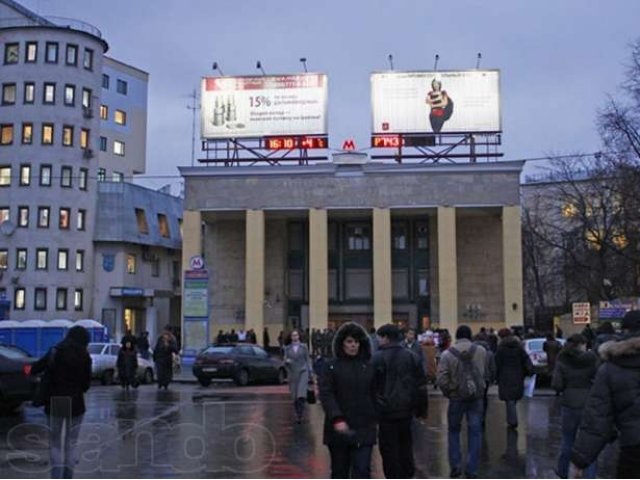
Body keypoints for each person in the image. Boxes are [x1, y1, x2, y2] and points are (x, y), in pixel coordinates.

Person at [572, 310, 640, 478]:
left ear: (623, 332)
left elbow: (598, 417)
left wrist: (581, 459)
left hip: (633, 449)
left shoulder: (610, 369)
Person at [31, 326, 92, 479]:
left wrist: (23, 369)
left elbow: (34, 368)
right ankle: (68, 476)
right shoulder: (85, 357)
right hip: (77, 404)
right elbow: (86, 385)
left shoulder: (56, 352)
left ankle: (56, 476)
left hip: (57, 401)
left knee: (56, 443)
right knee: (71, 444)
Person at [319, 322, 376, 479]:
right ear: (342, 343)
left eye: (357, 342)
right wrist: (336, 417)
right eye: (350, 342)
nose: (353, 346)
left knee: (362, 470)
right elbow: (326, 394)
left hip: (364, 428)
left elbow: (376, 393)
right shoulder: (331, 367)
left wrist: (376, 415)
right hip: (339, 430)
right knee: (340, 471)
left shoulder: (369, 366)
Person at [373, 324, 428, 479]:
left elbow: (372, 386)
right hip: (406, 410)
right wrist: (421, 410)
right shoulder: (412, 357)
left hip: (385, 412)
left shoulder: (377, 358)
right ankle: (406, 474)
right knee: (406, 446)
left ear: (385, 338)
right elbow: (421, 386)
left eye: (379, 337)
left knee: (389, 450)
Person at [437, 325, 489, 479]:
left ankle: (456, 466)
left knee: (453, 431)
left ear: (456, 336)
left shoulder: (447, 354)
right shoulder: (481, 351)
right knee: (475, 432)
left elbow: (441, 379)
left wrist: (449, 392)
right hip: (476, 397)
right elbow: (486, 373)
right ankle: (472, 468)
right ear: (470, 335)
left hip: (456, 398)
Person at [551, 334, 598, 479]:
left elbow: (556, 384)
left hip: (569, 404)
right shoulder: (592, 359)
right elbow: (599, 380)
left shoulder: (562, 359)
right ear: (582, 344)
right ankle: (589, 475)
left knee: (567, 440)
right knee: (589, 444)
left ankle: (563, 470)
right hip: (588, 403)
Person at [495, 328, 533, 429]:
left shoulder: (500, 349)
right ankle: (511, 419)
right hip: (518, 375)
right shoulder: (519, 348)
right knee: (513, 398)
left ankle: (512, 421)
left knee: (509, 399)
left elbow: (497, 364)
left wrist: (495, 377)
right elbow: (526, 360)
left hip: (504, 376)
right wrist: (528, 372)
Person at [284, 329, 314, 423]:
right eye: (293, 335)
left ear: (299, 336)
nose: (295, 337)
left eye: (296, 335)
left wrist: (310, 372)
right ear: (291, 337)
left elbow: (308, 359)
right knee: (295, 396)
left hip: (303, 371)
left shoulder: (304, 347)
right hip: (293, 373)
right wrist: (287, 361)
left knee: (301, 394)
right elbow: (285, 360)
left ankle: (300, 415)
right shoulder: (287, 348)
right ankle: (298, 414)